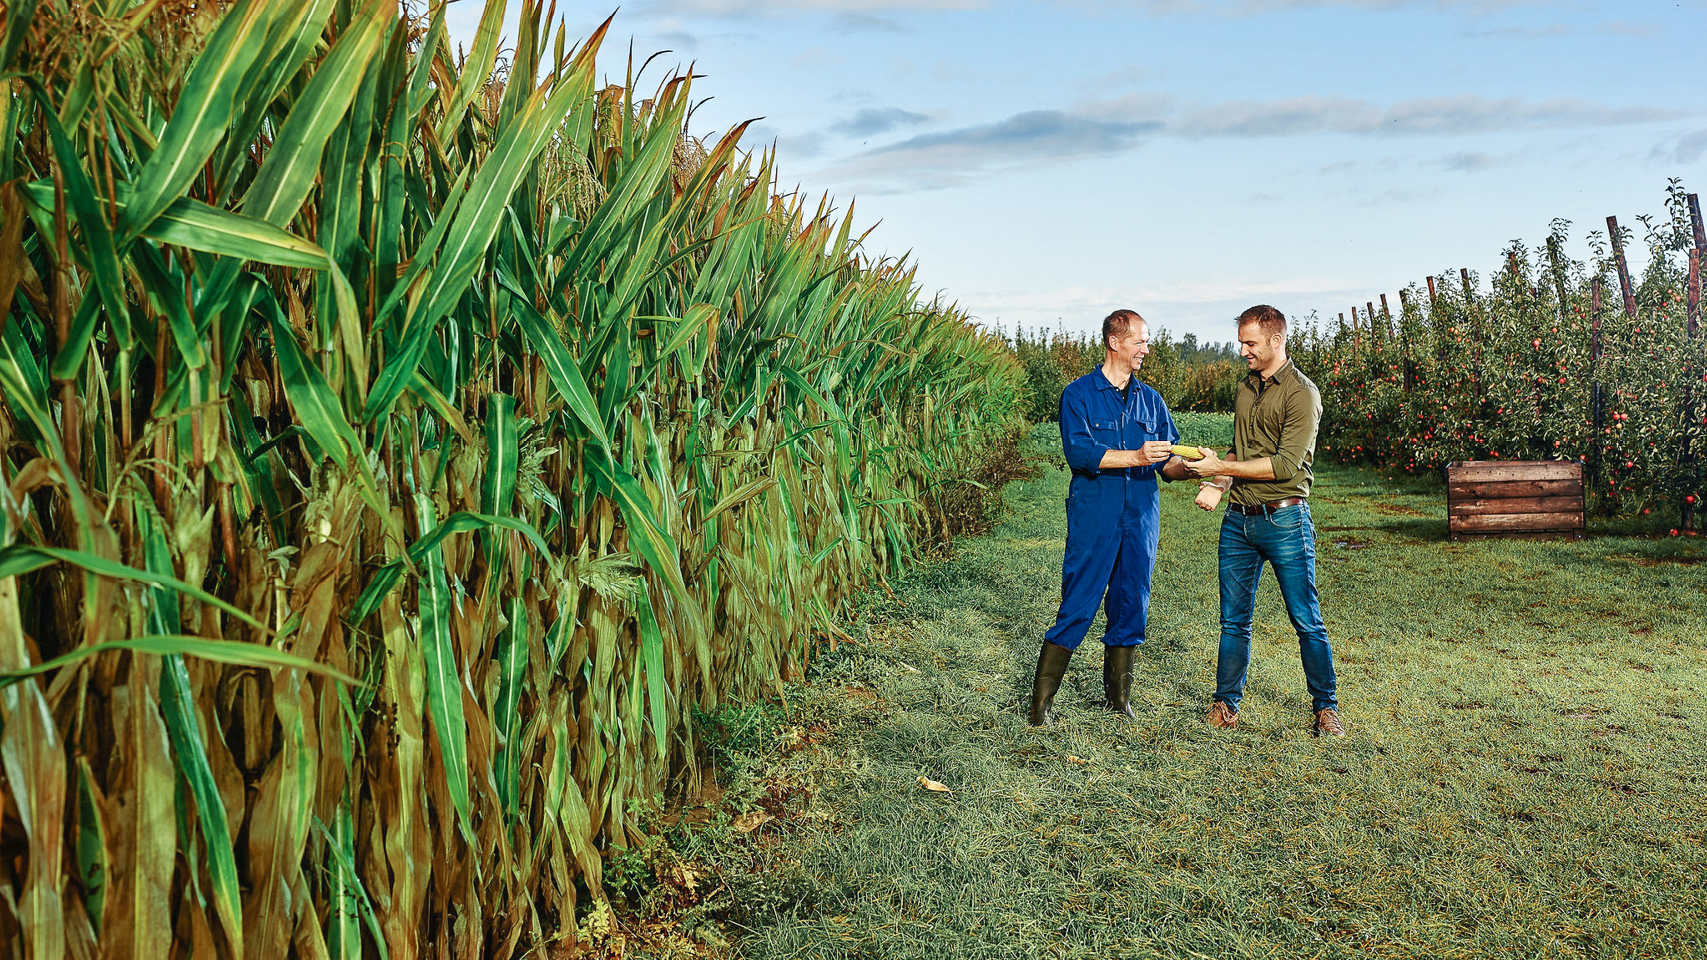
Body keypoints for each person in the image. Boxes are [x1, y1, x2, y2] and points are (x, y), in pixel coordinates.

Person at [1027, 309, 1194, 726]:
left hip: (1140, 516)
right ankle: (1040, 707)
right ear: (1114, 342)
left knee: (1131, 603)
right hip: (1095, 514)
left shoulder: (1151, 399)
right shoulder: (1079, 394)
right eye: (1140, 341)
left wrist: (1193, 467)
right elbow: (1080, 454)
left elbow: (1167, 462)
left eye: (1147, 341)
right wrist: (1136, 455)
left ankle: (1118, 703)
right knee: (1079, 603)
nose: (1146, 349)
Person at [1187, 304, 1344, 737]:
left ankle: (1326, 709)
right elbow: (1242, 451)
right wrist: (1218, 482)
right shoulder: (1244, 388)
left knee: (1305, 619)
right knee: (1233, 620)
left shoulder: (1301, 393)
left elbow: (1283, 465)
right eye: (1241, 342)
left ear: (1277, 340)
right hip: (1239, 522)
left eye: (1250, 343)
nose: (1243, 351)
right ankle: (1225, 705)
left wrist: (1222, 470)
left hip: (1285, 522)